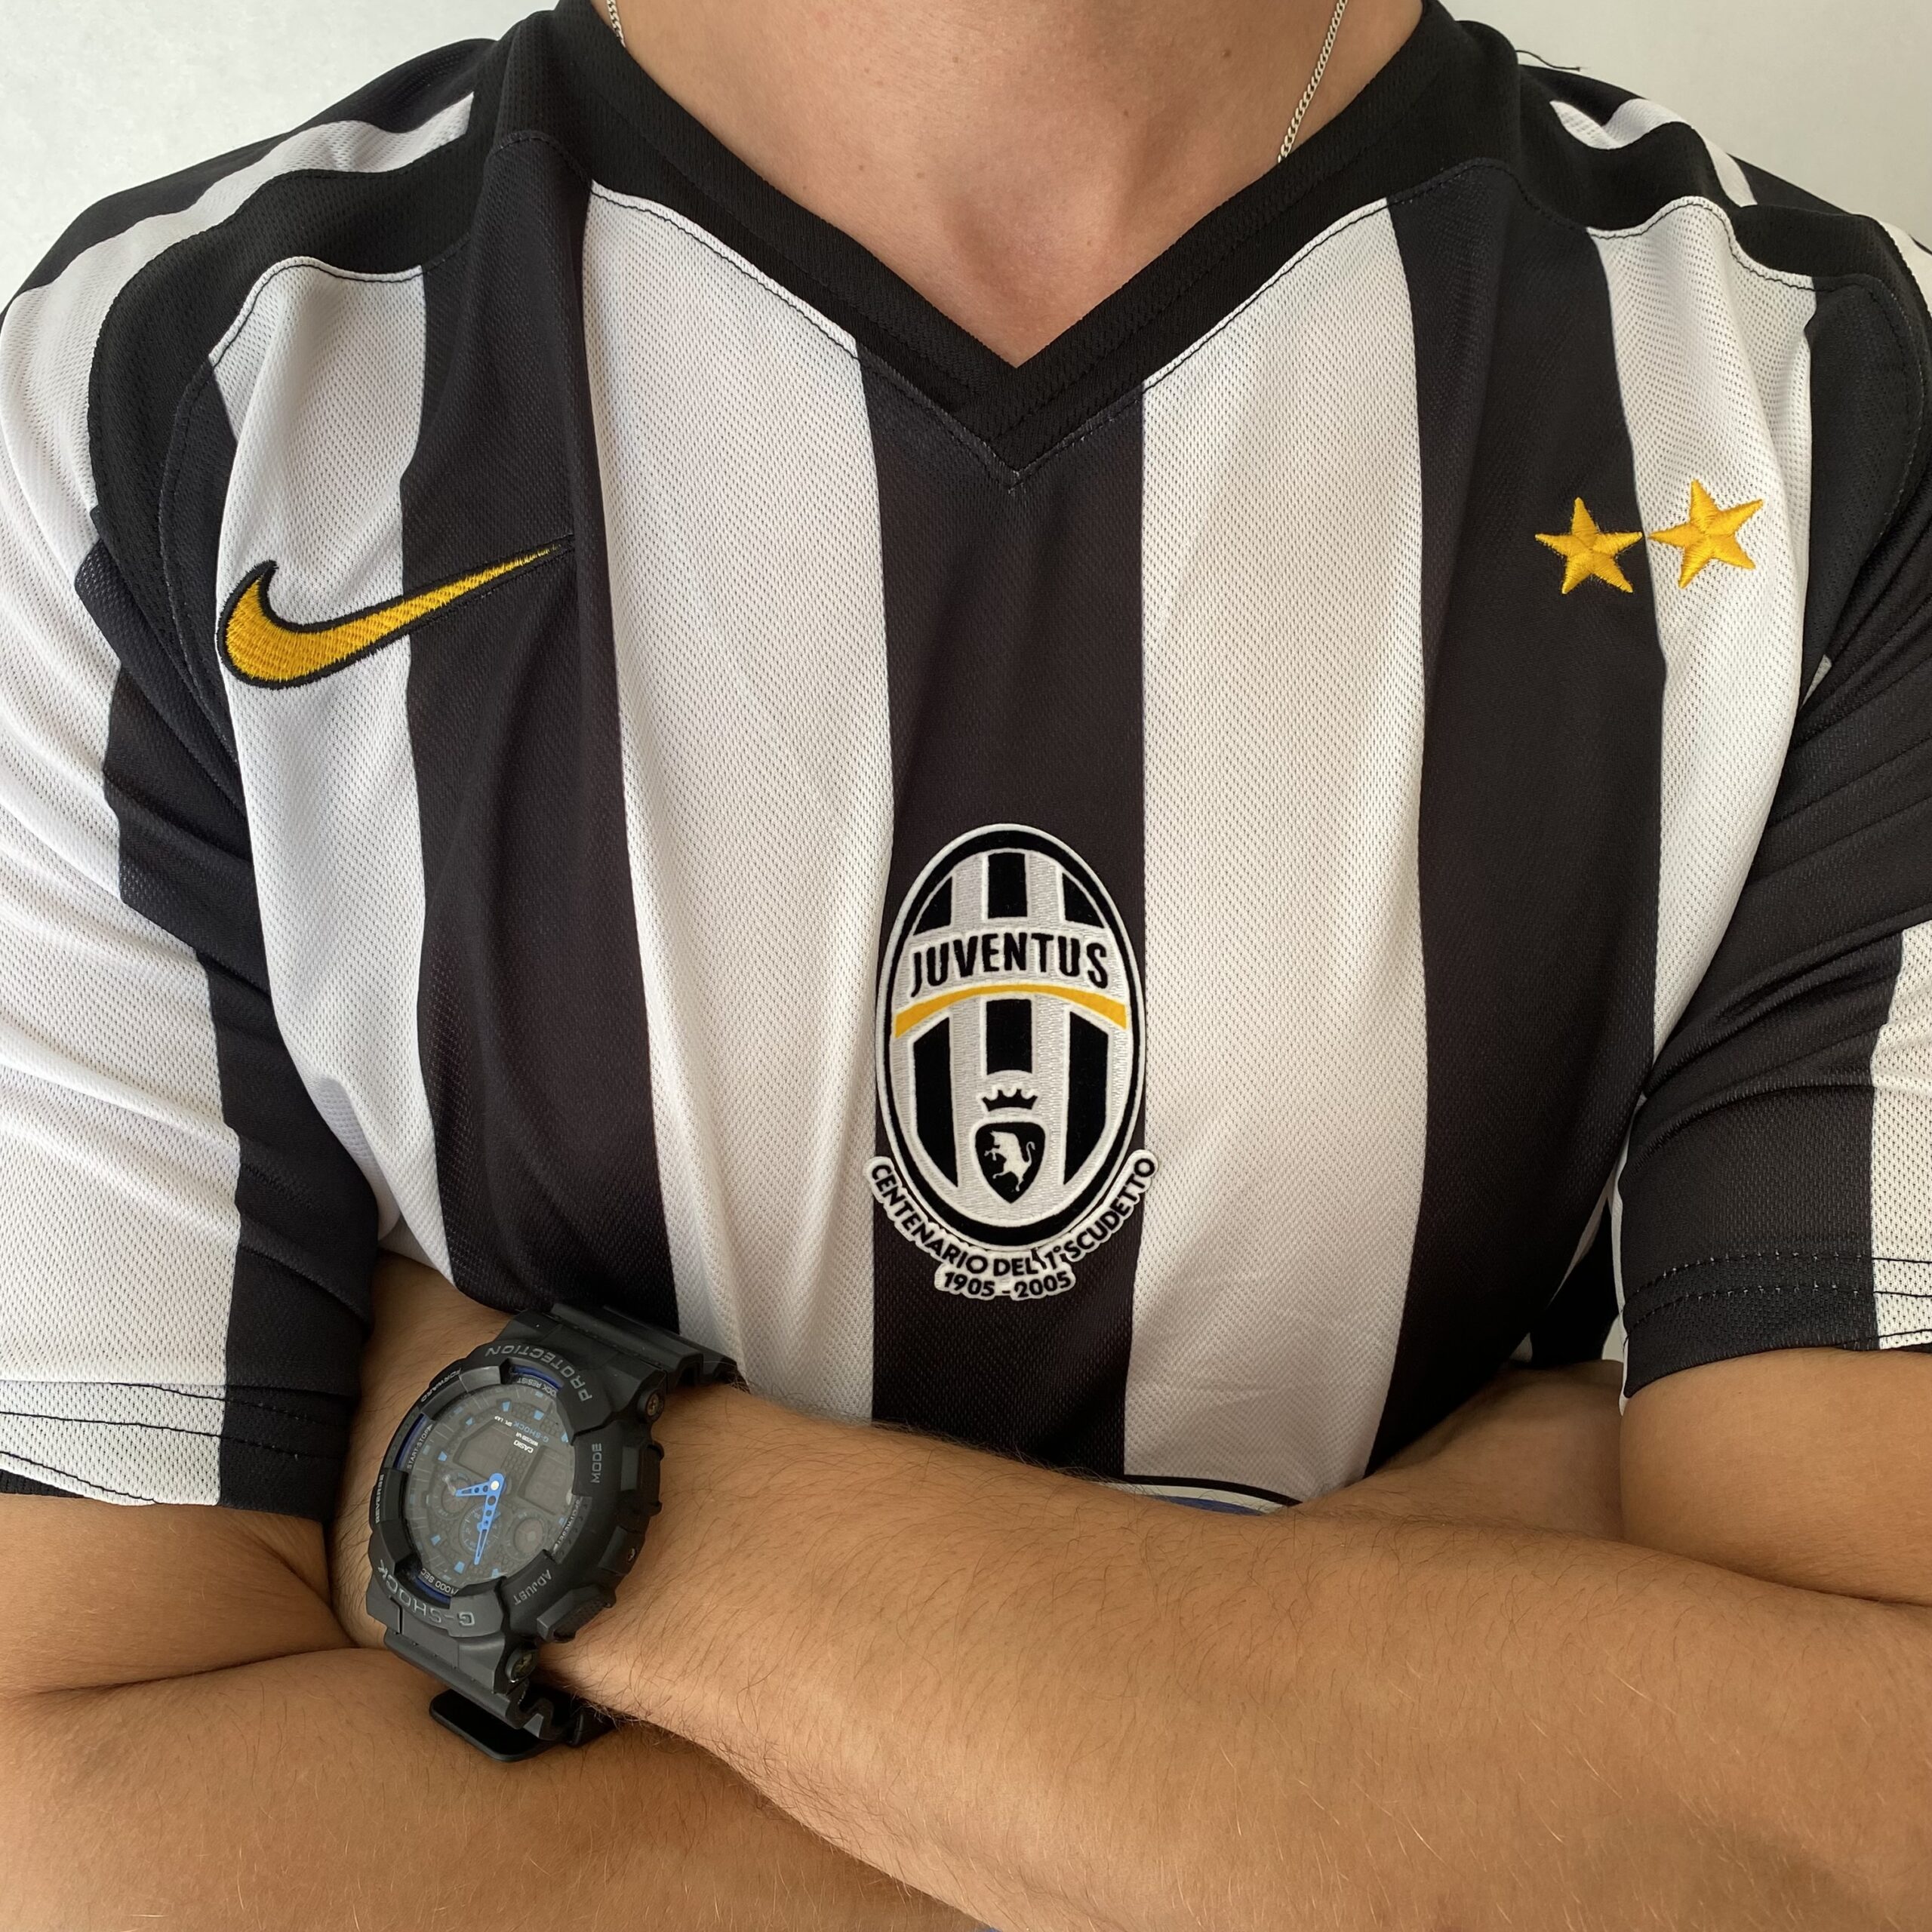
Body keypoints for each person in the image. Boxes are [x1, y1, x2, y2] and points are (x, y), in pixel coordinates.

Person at [2, 0, 1931, 1921]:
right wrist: (1398, 1765)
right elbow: (71, 1825)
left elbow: (1866, 1814)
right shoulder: (149, 409)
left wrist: (541, 1475)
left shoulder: (1835, 399)